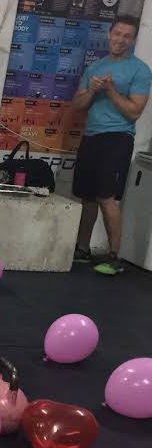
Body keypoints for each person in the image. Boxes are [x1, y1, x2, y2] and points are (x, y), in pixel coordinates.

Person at [72, 15, 151, 275]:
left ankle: (114, 255)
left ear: (133, 39)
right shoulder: (96, 67)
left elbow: (134, 112)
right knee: (87, 197)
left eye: (127, 36)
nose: (121, 39)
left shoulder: (140, 70)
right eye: (117, 33)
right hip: (91, 136)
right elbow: (77, 106)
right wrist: (93, 90)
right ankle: (82, 249)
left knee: (106, 197)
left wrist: (110, 90)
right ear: (110, 34)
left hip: (118, 138)